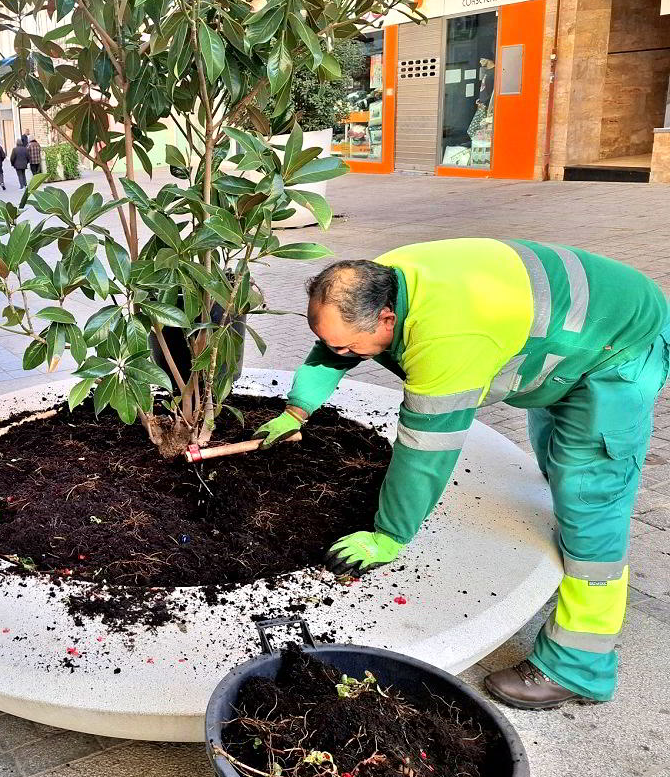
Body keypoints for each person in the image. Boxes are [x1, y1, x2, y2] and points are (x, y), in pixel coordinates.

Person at [259, 239, 668, 711]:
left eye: (351, 346)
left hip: (620, 347)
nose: (343, 353)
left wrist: (389, 535)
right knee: (556, 448)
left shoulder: (447, 340)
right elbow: (332, 349)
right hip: (578, 329)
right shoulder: (372, 283)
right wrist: (296, 411)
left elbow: (425, 452)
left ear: (388, 319)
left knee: (590, 497)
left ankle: (578, 666)